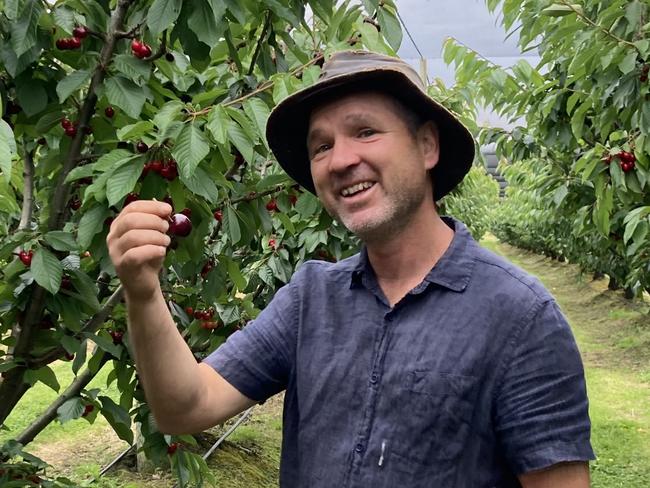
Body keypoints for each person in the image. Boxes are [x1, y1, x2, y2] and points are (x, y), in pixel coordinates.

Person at [107, 50, 595, 487]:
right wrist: (144, 292)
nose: (341, 159)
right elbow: (184, 407)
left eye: (365, 131)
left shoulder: (521, 317)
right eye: (321, 146)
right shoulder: (309, 298)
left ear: (427, 146)